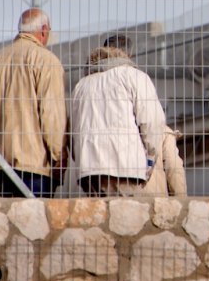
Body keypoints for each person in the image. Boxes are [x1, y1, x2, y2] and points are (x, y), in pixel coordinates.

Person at [0, 8, 68, 197]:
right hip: (36, 166)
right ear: (44, 30)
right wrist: (60, 160)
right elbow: (52, 117)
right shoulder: (47, 61)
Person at [71, 46, 168, 196]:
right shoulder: (134, 76)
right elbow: (152, 121)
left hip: (89, 170)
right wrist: (150, 157)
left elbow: (74, 130)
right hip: (126, 166)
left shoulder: (81, 86)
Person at [143, 127, 188, 196]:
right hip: (155, 198)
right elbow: (173, 166)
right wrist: (181, 199)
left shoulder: (122, 132)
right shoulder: (164, 131)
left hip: (125, 195)